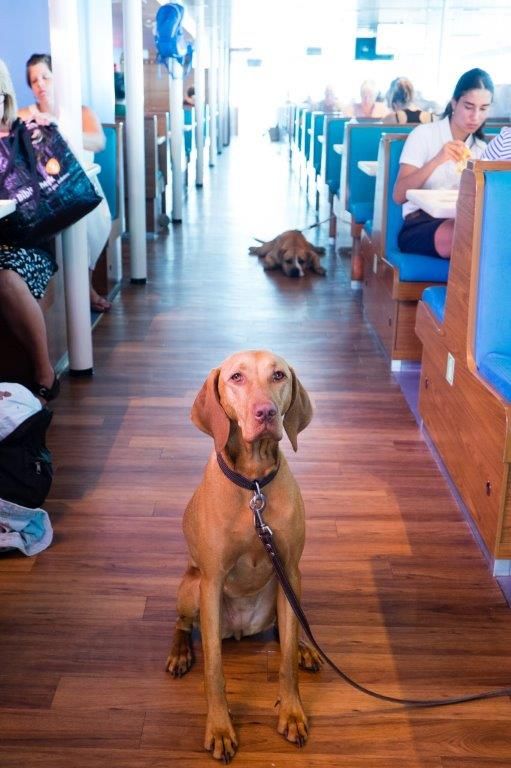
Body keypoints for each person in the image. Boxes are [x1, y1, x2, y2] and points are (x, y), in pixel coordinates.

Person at [18, 53, 112, 312]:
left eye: (45, 77)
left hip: (83, 185)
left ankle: (85, 285)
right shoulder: (26, 114)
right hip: (48, 192)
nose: (40, 85)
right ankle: (69, 294)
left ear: (56, 78)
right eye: (34, 80)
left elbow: (98, 142)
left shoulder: (80, 112)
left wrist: (57, 130)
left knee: (84, 215)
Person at [0, 59, 59, 402]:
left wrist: (48, 134)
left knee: (5, 277)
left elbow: (45, 189)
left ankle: (43, 370)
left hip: (28, 243)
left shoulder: (26, 132)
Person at [393, 68, 494, 259]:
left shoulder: (482, 149)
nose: (475, 117)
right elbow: (398, 195)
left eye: (483, 109)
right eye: (468, 106)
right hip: (419, 224)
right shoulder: (423, 135)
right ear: (454, 103)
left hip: (462, 220)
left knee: (479, 232)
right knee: (466, 235)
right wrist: (438, 159)